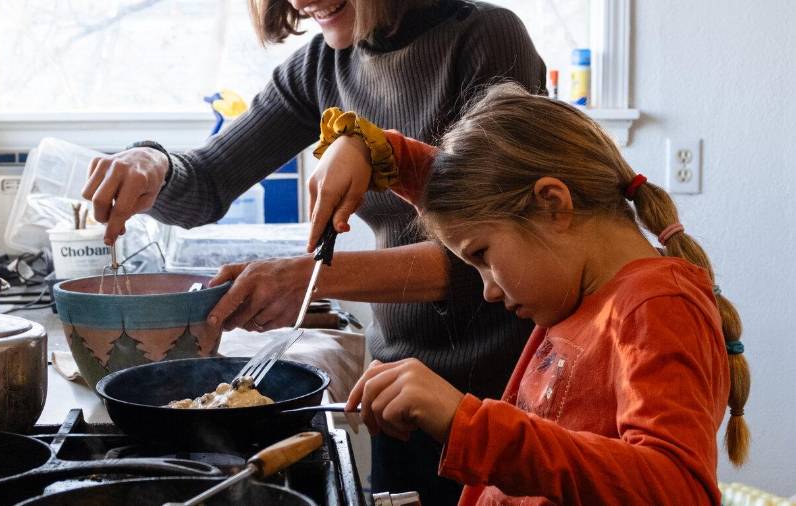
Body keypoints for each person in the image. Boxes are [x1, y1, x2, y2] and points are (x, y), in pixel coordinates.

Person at [82, 1, 545, 503]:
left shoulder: (485, 38)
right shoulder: (321, 67)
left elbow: (492, 257)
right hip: (399, 393)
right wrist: (153, 162)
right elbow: (209, 182)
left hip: (507, 396)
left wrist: (313, 277)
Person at [307, 83, 751, 504]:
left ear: (553, 204)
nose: (488, 291)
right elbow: (467, 185)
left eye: (482, 255)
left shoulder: (654, 307)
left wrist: (468, 423)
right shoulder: (577, 290)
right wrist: (369, 147)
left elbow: (676, 490)